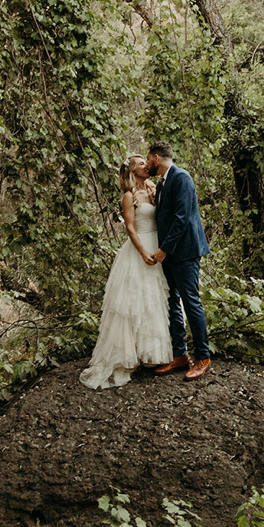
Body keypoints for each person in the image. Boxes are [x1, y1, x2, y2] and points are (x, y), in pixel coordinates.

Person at [80, 157, 173, 389]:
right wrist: (143, 253)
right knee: (134, 302)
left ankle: (150, 354)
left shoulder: (154, 189)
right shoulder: (129, 196)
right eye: (140, 163)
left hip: (158, 246)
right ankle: (128, 355)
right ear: (132, 170)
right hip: (139, 248)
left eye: (145, 161)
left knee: (153, 300)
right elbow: (130, 229)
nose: (145, 165)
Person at [147, 142, 211, 380]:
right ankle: (180, 355)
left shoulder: (182, 178)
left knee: (191, 301)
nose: (148, 163)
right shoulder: (163, 182)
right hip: (170, 253)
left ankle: (203, 357)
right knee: (173, 301)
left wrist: (164, 249)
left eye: (148, 159)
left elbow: (182, 218)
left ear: (156, 158)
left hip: (184, 252)